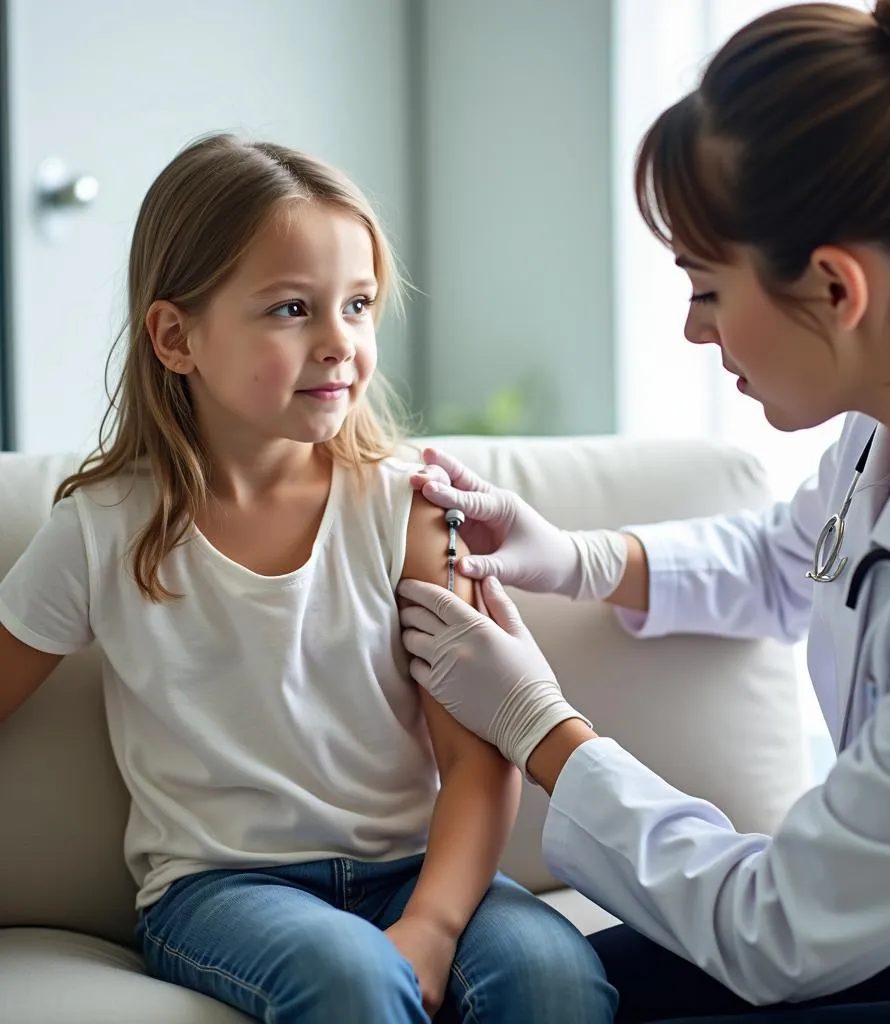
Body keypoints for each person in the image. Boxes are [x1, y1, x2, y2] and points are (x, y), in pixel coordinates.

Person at [396, 0, 890, 1021]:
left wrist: (540, 726)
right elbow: (794, 557)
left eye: (704, 288)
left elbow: (775, 930)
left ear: (833, 287)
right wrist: (575, 558)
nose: (693, 332)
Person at [0, 134, 615, 1024]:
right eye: (292, 308)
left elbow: (475, 757)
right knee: (350, 976)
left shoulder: (406, 506)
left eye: (358, 305)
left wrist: (435, 924)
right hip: (218, 891)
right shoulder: (103, 528)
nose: (340, 344)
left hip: (412, 868)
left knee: (552, 977)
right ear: (176, 338)